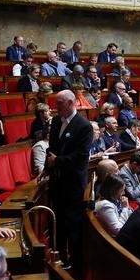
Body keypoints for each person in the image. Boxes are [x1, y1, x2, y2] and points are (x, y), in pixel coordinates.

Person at [46, 90, 94, 264]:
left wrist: (57, 160)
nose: (56, 106)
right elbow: (51, 148)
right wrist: (47, 168)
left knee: (72, 223)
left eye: (59, 103)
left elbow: (81, 156)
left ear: (71, 102)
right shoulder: (56, 121)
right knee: (57, 221)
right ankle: (58, 255)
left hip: (73, 183)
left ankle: (74, 261)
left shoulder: (84, 126)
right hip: (56, 181)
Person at [93, 169, 132, 237]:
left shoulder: (113, 199)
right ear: (113, 191)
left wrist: (127, 207)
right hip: (112, 240)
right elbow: (118, 230)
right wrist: (125, 208)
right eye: (122, 190)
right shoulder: (105, 206)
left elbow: (130, 216)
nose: (124, 193)